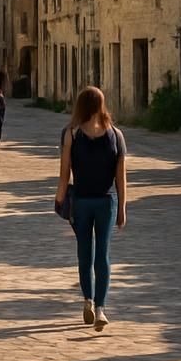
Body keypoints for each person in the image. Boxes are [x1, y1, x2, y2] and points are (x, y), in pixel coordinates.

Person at [55, 85, 127, 331]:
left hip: (81, 202)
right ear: (101, 105)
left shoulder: (71, 134)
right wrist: (123, 208)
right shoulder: (116, 135)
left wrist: (59, 200)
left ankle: (87, 298)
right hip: (106, 202)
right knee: (103, 256)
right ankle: (100, 308)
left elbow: (64, 173)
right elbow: (121, 178)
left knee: (84, 253)